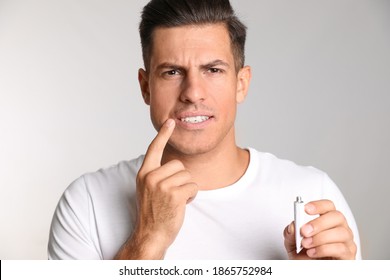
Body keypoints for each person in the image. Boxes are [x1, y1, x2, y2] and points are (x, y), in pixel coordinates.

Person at [48, 0, 361, 260]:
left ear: (241, 83)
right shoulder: (86, 201)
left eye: (213, 70)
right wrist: (147, 240)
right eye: (172, 72)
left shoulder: (314, 194)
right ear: (146, 88)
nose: (193, 92)